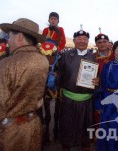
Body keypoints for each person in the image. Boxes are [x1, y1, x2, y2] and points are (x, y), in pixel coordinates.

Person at [0, 18, 49, 150]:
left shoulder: (7, 64)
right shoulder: (43, 60)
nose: (7, 40)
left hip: (11, 131)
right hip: (34, 125)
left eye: (9, 36)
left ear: (20, 36)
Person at [58, 29, 99, 150]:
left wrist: (97, 80)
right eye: (79, 39)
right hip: (68, 99)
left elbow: (97, 78)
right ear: (74, 41)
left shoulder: (93, 57)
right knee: (67, 127)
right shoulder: (66, 55)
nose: (82, 41)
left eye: (85, 39)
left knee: (85, 128)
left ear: (88, 41)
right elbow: (59, 75)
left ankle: (85, 146)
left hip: (86, 100)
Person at [96, 41, 118, 151]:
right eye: (117, 49)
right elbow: (102, 85)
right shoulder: (107, 66)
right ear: (113, 51)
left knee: (117, 127)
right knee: (105, 127)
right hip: (107, 98)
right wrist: (99, 103)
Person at [41, 12, 66, 143]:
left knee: (62, 65)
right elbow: (42, 42)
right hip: (46, 53)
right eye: (51, 19)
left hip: (56, 54)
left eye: (55, 19)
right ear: (49, 20)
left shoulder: (60, 30)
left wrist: (58, 50)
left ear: (58, 21)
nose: (53, 21)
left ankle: (57, 128)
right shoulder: (45, 30)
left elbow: (63, 42)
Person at [93, 33, 114, 132]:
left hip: (111, 93)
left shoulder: (115, 56)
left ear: (108, 42)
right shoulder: (91, 57)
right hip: (95, 92)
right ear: (96, 44)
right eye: (99, 42)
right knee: (96, 117)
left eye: (104, 42)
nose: (102, 44)